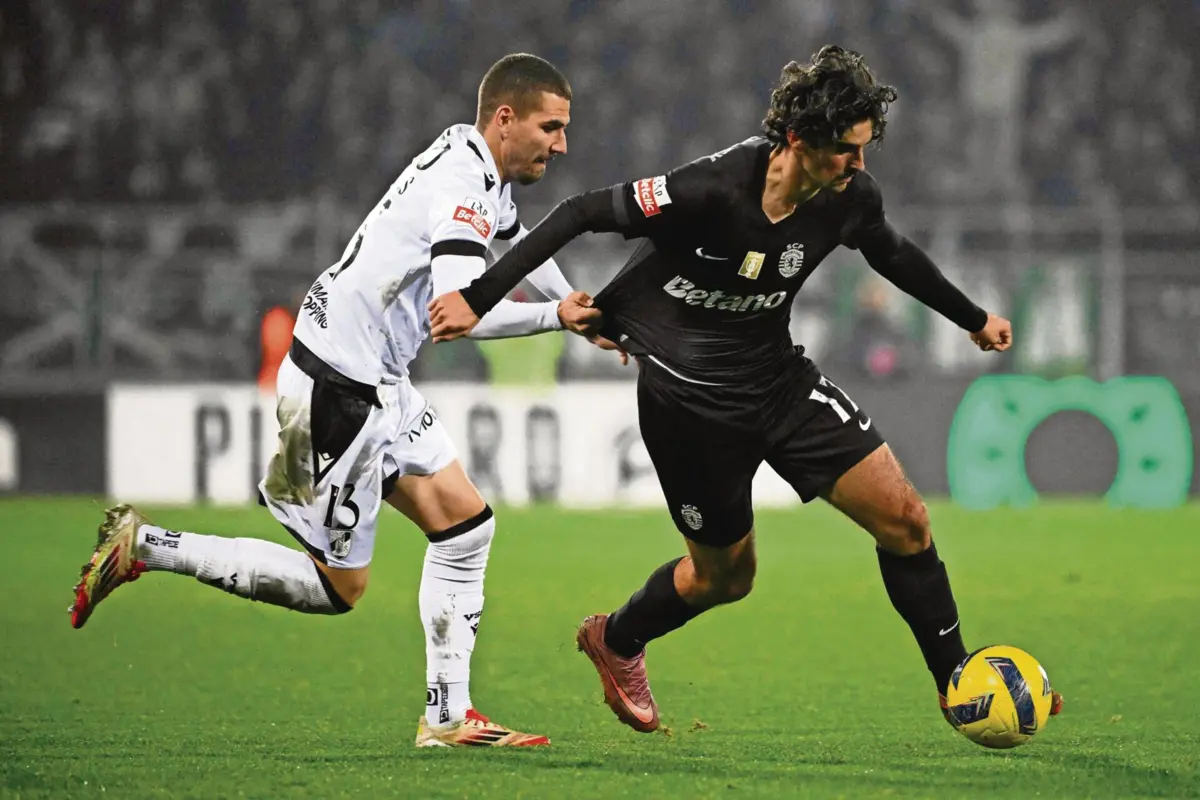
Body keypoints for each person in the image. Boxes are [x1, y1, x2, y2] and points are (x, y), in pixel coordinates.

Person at [428, 45, 1063, 733]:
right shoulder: (712, 189)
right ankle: (615, 639)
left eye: (863, 149)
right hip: (688, 405)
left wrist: (974, 320)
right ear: (797, 140)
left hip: (777, 381)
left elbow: (892, 253)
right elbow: (581, 212)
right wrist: (477, 295)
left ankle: (958, 684)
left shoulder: (849, 198)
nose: (858, 166)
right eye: (845, 151)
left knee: (907, 519)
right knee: (726, 578)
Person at [69, 53, 605, 748]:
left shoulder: (474, 158)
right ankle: (147, 546)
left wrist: (566, 297)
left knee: (466, 528)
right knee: (337, 589)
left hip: (374, 375)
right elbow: (455, 315)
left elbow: (519, 241)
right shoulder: (462, 188)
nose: (561, 144)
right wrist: (554, 319)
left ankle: (448, 717)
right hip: (338, 392)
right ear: (506, 119)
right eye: (551, 127)